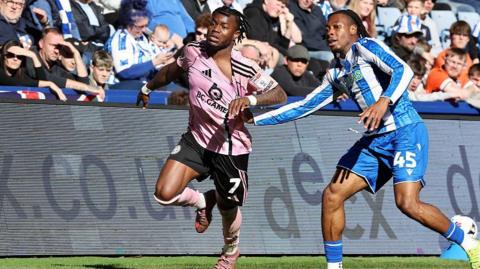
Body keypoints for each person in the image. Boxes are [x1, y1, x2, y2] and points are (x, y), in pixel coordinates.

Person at [244, 9, 480, 269]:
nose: (330, 32)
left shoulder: (366, 47)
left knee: (407, 202)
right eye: (328, 29)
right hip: (375, 141)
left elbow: (403, 70)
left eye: (337, 27)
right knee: (332, 195)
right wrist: (255, 118)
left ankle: (469, 244)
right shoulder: (336, 72)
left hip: (404, 130)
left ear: (354, 29)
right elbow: (304, 106)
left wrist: (383, 100)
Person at [136, 6, 287, 269]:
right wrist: (148, 87)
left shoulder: (245, 66)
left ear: (236, 33)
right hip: (196, 140)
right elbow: (172, 71)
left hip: (231, 147)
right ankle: (203, 200)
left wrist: (250, 99)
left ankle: (230, 251)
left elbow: (279, 94)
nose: (215, 30)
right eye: (213, 24)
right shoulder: (194, 51)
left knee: (229, 207)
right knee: (163, 193)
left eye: (223, 26)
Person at [0, 39, 66, 100]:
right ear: (3, 56)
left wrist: (33, 56)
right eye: (10, 55)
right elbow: (16, 83)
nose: (15, 59)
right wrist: (49, 83)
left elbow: (43, 85)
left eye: (19, 56)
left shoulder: (21, 75)